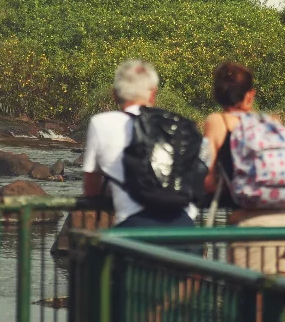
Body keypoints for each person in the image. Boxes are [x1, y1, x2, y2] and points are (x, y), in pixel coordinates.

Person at [201, 61, 285, 278]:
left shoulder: (218, 121)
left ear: (217, 95)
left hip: (257, 224)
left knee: (252, 298)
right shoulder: (271, 121)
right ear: (250, 95)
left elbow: (206, 179)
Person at [81, 59, 204, 228]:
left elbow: (91, 188)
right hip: (184, 226)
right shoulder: (176, 124)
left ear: (114, 94)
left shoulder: (101, 122)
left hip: (135, 228)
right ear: (153, 94)